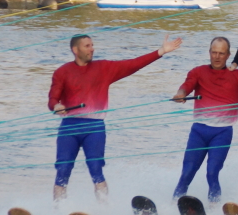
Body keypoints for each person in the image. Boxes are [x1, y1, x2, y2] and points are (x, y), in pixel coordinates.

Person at [48, 33, 183, 201]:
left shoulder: (103, 68)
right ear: (75, 50)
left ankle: (104, 208)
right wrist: (56, 106)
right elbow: (53, 99)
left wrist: (160, 51)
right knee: (63, 170)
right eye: (87, 46)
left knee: (96, 169)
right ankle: (59, 209)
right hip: (69, 126)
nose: (92, 49)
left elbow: (132, 64)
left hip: (94, 127)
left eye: (92, 45)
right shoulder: (62, 72)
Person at [171, 37, 238, 203]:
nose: (217, 57)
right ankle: (173, 206)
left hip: (222, 133)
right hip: (198, 131)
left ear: (228, 55)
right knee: (187, 173)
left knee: (212, 173)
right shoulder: (198, 72)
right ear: (209, 52)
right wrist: (181, 94)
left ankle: (214, 209)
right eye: (214, 52)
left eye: (221, 53)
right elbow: (186, 86)